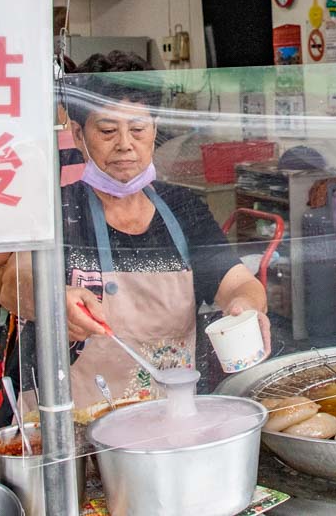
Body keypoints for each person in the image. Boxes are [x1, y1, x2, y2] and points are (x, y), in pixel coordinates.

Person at [59, 57, 268, 402]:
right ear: (79, 135)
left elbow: (238, 283)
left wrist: (245, 306)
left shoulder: (183, 208)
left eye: (139, 129)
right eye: (108, 131)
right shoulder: (61, 211)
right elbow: (16, 282)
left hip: (170, 419)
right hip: (84, 423)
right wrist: (52, 299)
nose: (125, 144)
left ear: (155, 129)